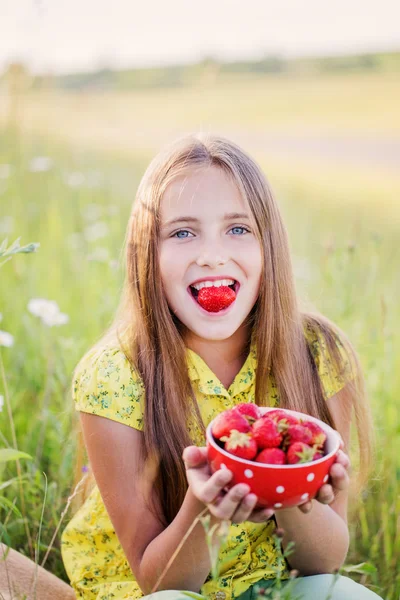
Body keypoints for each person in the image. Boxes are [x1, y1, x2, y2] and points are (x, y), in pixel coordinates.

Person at [0, 133, 382, 600]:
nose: (211, 254)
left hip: (273, 587)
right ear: (147, 255)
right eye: (182, 232)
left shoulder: (316, 353)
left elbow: (324, 564)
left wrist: (295, 491)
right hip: (162, 590)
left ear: (269, 248)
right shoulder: (114, 377)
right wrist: (204, 510)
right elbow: (159, 581)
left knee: (344, 594)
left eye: (238, 229)